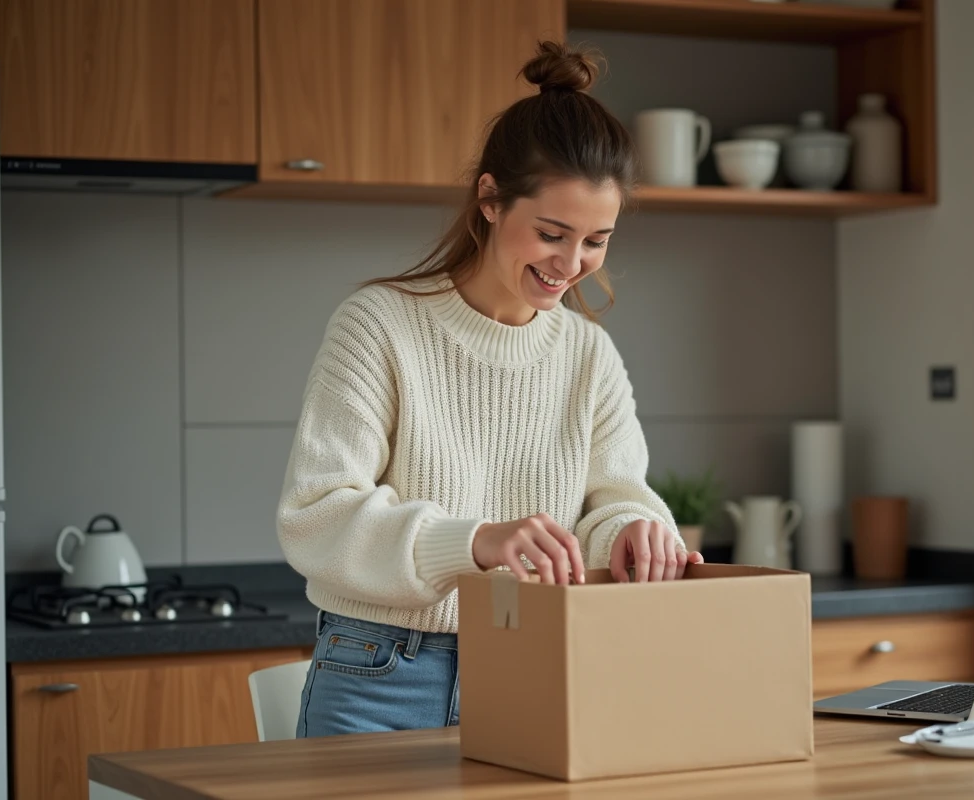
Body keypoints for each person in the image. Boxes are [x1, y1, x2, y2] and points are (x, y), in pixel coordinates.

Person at [278, 40, 702, 739]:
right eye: (552, 233)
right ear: (489, 200)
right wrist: (473, 542)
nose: (572, 265)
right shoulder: (379, 325)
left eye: (597, 240)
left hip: (537, 667)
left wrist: (633, 530)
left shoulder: (587, 353)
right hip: (379, 674)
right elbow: (316, 517)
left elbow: (613, 496)